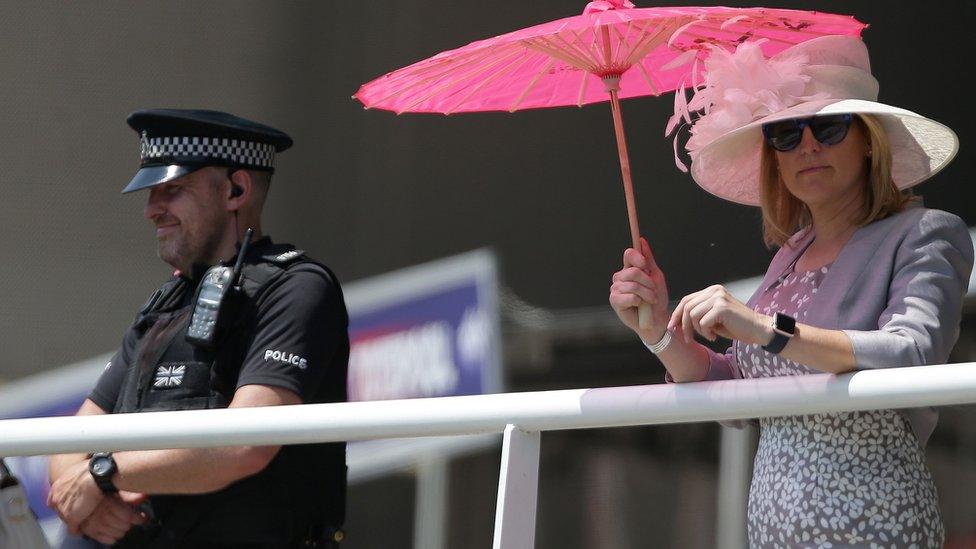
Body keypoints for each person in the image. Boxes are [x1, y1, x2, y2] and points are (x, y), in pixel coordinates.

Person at [610, 36, 972, 547]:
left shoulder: (927, 232)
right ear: (773, 157)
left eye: (827, 127)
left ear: (868, 139)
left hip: (876, 527)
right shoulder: (791, 253)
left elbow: (912, 353)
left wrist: (764, 329)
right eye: (784, 133)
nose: (806, 146)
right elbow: (741, 391)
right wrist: (658, 334)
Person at [47, 109, 349, 548]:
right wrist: (92, 506)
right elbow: (70, 441)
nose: (152, 210)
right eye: (152, 193)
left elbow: (245, 446)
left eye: (172, 190)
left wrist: (103, 474)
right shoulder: (168, 302)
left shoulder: (296, 289)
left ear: (236, 189)